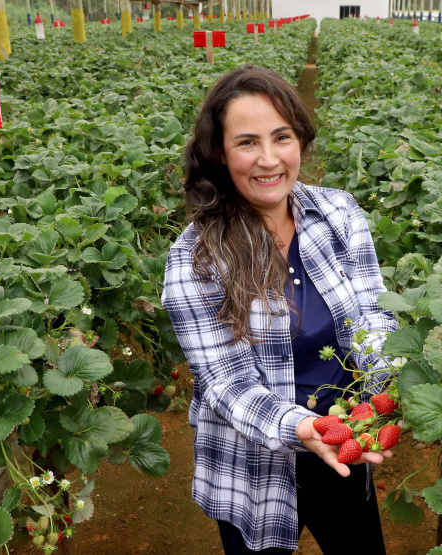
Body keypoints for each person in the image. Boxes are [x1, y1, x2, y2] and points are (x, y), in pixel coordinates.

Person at [161, 65, 399, 555]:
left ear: (300, 142)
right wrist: (302, 428)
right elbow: (224, 381)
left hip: (345, 443)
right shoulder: (196, 256)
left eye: (281, 137)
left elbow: (372, 316)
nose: (269, 160)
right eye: (247, 142)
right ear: (219, 154)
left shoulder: (339, 214)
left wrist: (385, 387)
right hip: (252, 467)